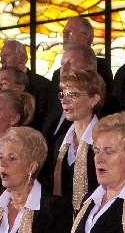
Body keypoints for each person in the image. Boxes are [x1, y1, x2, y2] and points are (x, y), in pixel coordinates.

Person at [41, 68, 102, 212]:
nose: (64, 100)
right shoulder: (60, 142)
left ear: (94, 100)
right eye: (63, 94)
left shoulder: (104, 140)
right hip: (63, 219)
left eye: (73, 95)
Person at [0, 38, 53, 129]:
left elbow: (44, 120)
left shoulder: (42, 85)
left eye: (6, 56)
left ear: (22, 59)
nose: (2, 61)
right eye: (1, 57)